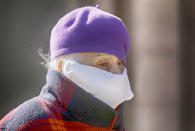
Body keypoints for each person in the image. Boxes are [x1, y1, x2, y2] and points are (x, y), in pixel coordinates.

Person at [0, 5, 134, 131]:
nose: (117, 74)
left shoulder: (113, 122)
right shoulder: (33, 123)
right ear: (62, 67)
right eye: (103, 63)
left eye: (120, 64)